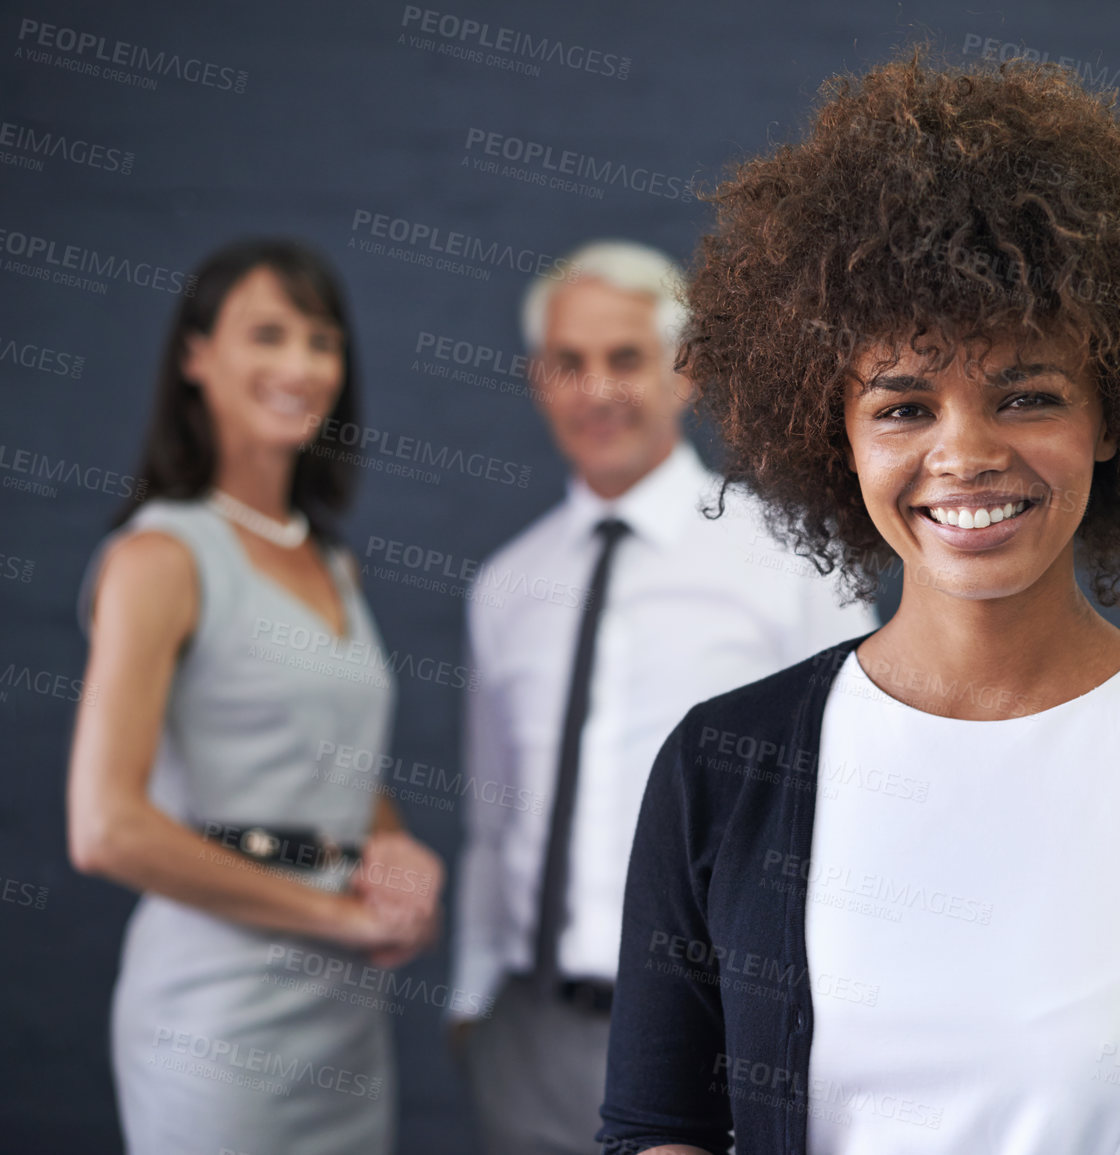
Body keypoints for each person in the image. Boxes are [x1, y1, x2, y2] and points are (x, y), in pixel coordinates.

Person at [598, 52, 1120, 1155]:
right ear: (840, 436)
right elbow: (659, 1129)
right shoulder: (724, 769)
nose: (965, 454)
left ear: (1116, 418)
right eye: (905, 405)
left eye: (1028, 395)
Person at [448, 240, 876, 1154]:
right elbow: (494, 807)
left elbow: (863, 789)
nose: (596, 389)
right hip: (532, 1029)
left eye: (624, 358)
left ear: (684, 373)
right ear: (538, 380)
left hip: (718, 1030)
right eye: (569, 363)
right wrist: (470, 995)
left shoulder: (790, 559)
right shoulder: (506, 586)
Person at [67, 238, 445, 1154]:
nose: (300, 365)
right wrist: (333, 915)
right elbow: (105, 827)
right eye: (266, 333)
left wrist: (392, 845)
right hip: (217, 1012)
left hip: (344, 1012)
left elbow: (331, 755)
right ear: (195, 356)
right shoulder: (159, 556)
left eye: (321, 340)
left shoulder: (330, 559)